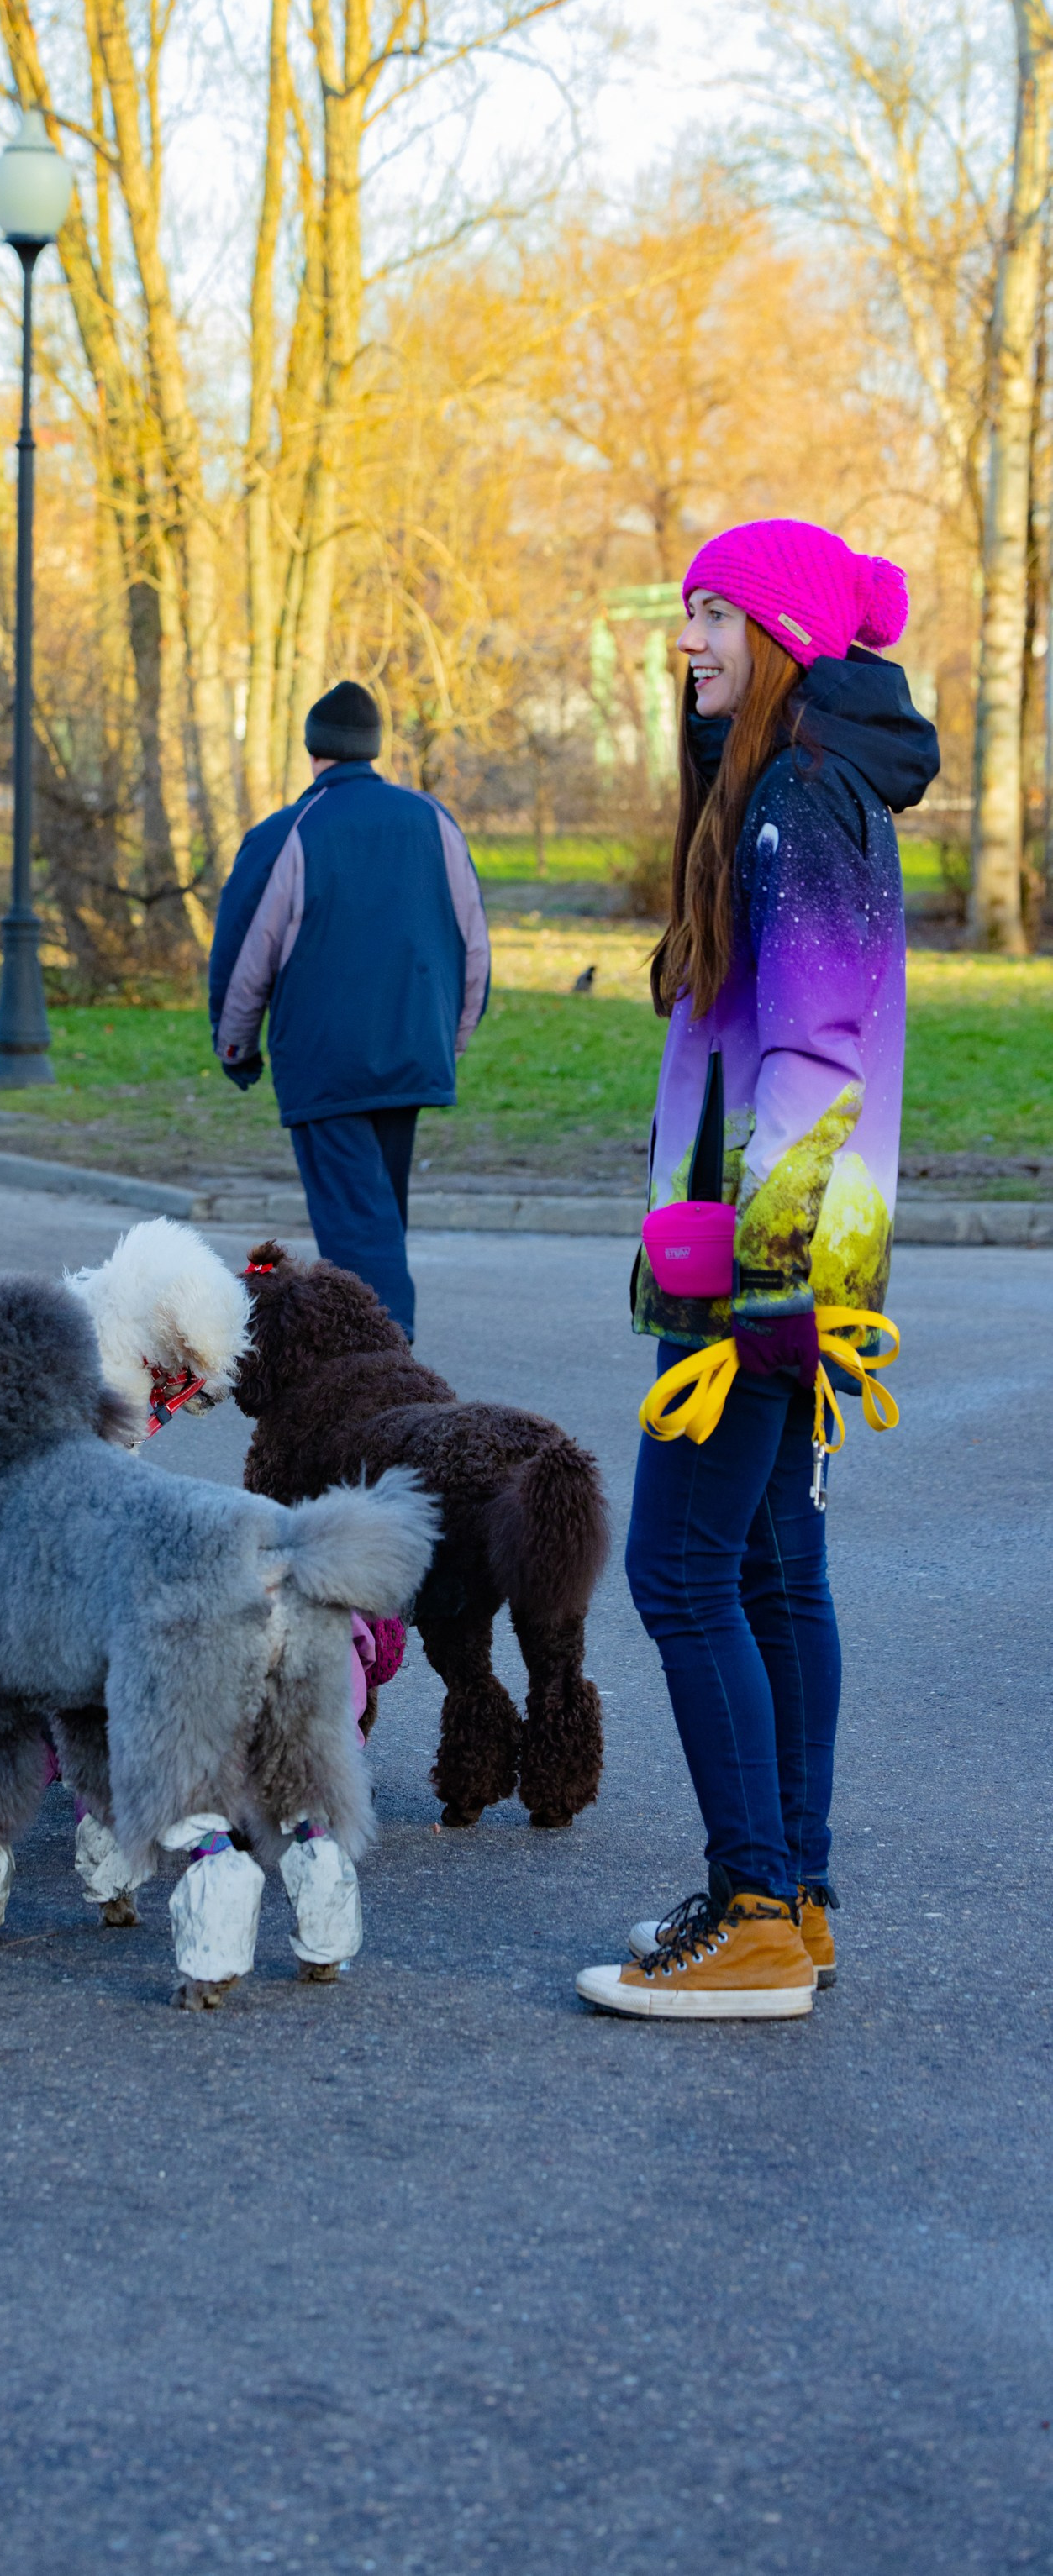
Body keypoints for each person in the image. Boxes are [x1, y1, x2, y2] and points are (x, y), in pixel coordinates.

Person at [575, 519, 939, 2021]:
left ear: (782, 632)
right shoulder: (821, 792)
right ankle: (796, 1893)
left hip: (761, 1273)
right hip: (800, 1261)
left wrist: (772, 1284)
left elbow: (808, 1057)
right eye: (686, 614)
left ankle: (756, 1909)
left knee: (678, 1569)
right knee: (780, 1573)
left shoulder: (794, 806)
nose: (689, 641)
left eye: (714, 615)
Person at [208, 679, 490, 1339]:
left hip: (325, 1061)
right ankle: (381, 1361)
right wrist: (453, 1037)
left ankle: (381, 1361)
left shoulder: (288, 832)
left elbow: (248, 953)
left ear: (314, 749)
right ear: (372, 748)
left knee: (356, 1228)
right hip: (415, 1048)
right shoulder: (434, 822)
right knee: (380, 1213)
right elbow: (472, 940)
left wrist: (235, 1045)